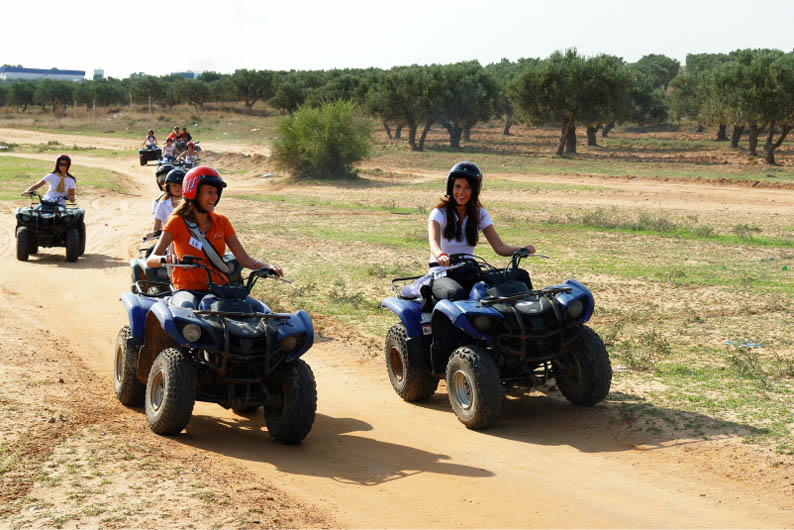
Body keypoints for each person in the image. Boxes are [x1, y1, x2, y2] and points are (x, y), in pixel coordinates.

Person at [145, 166, 283, 308]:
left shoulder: (222, 222)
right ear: (194, 192)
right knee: (186, 310)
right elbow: (150, 260)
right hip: (186, 289)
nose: (214, 197)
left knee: (259, 309)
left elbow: (245, 259)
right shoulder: (177, 221)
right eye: (209, 192)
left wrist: (267, 266)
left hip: (219, 289)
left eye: (216, 192)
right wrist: (165, 258)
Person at [427, 161, 534, 302]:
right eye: (457, 186)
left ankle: (527, 318)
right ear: (450, 187)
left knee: (520, 276)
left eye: (467, 187)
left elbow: (499, 247)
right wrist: (440, 255)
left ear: (474, 190)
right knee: (456, 292)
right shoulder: (439, 213)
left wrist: (522, 249)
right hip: (442, 274)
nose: (461, 192)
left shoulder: (480, 214)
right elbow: (433, 242)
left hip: (469, 272)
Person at [151, 167, 184, 234]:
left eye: (180, 185)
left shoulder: (189, 204)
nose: (177, 188)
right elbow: (156, 228)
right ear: (168, 187)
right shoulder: (162, 204)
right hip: (167, 240)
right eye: (174, 185)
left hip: (184, 241)